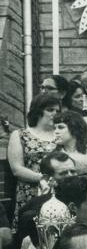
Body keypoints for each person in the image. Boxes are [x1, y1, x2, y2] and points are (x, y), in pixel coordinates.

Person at [8, 93, 63, 222]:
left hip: (59, 191)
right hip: (30, 192)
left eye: (58, 110)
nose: (55, 113)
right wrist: (45, 178)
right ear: (38, 111)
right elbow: (17, 169)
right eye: (50, 110)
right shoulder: (20, 135)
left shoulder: (62, 134)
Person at [53, 109, 87, 182]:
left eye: (61, 127)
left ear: (75, 129)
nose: (56, 131)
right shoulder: (51, 157)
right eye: (54, 128)